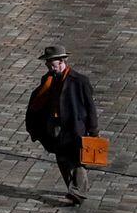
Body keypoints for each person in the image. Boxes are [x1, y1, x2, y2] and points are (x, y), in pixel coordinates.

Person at [27, 45, 100, 203]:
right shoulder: (48, 79)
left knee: (76, 159)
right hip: (54, 126)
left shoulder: (79, 81)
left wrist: (93, 130)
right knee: (62, 158)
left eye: (51, 63)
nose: (48, 66)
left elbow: (90, 108)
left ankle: (78, 192)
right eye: (47, 63)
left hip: (74, 127)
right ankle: (72, 190)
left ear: (61, 61)